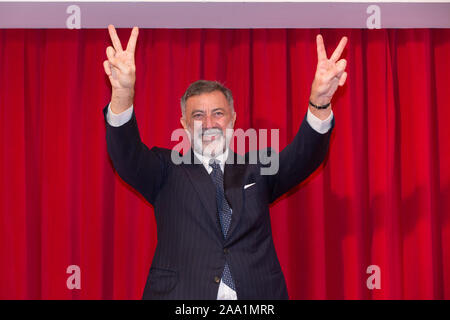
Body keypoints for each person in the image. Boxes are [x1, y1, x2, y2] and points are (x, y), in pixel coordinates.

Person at [102, 25, 348, 299]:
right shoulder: (165, 170)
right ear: (183, 124)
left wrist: (320, 102)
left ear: (233, 119)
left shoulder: (258, 166)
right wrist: (122, 95)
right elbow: (126, 155)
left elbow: (304, 157)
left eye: (218, 113)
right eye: (198, 116)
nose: (209, 124)